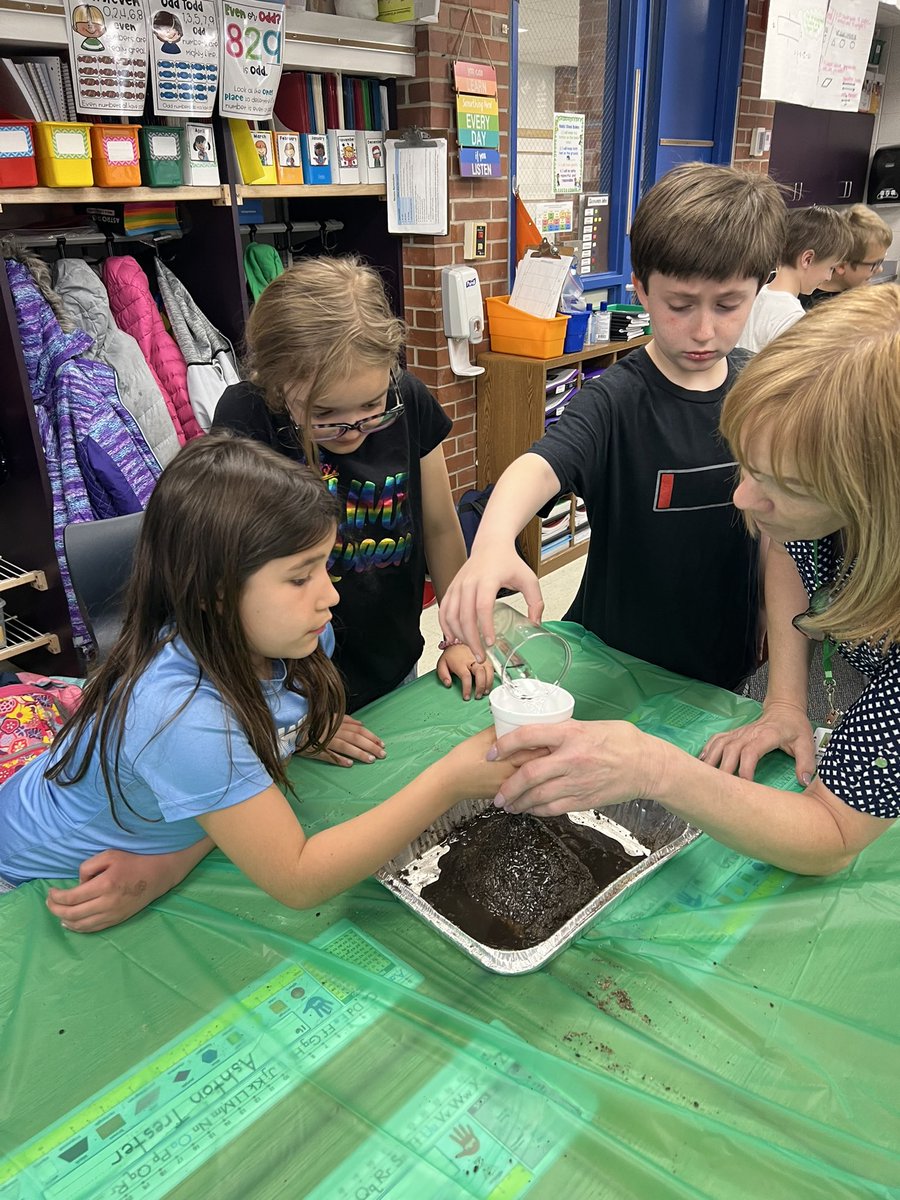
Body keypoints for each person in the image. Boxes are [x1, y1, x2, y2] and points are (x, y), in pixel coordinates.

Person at [0, 435, 525, 932]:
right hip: (34, 874)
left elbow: (234, 778)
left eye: (324, 567)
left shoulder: (299, 639)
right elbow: (297, 877)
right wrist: (448, 781)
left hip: (159, 837)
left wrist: (294, 737)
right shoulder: (178, 715)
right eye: (299, 577)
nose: (330, 596)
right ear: (214, 592)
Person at [486, 286, 900, 876]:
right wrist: (785, 700)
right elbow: (793, 547)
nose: (742, 499)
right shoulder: (814, 503)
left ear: (878, 503)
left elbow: (832, 835)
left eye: (783, 486)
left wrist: (656, 769)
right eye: (747, 466)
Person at [441, 163, 786, 692]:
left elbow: (774, 523)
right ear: (641, 290)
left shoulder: (762, 391)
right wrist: (491, 544)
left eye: (728, 305)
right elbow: (539, 466)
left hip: (723, 661)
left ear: (760, 288)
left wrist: (766, 607)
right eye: (680, 305)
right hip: (617, 666)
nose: (703, 329)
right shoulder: (614, 400)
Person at [213, 256, 489, 728]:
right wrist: (296, 713)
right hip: (291, 687)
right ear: (277, 385)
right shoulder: (246, 417)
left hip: (392, 660)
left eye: (372, 406)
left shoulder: (409, 399)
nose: (354, 429)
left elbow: (441, 529)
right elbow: (233, 576)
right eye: (325, 415)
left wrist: (460, 635)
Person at [737, 206, 851, 352]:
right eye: (830, 268)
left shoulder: (755, 295)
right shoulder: (793, 320)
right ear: (807, 259)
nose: (828, 277)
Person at [800, 204, 893, 311]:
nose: (880, 269)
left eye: (882, 261)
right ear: (841, 265)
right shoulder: (822, 311)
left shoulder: (854, 294)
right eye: (874, 264)